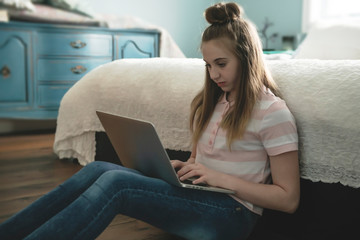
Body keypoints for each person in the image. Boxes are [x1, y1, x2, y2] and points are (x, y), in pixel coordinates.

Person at [0, 2, 299, 240]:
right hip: (202, 195)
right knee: (100, 168)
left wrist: (220, 178)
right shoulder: (215, 102)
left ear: (248, 58)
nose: (213, 75)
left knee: (117, 184)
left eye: (221, 64)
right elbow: (201, 159)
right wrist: (186, 167)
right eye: (208, 65)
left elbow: (288, 199)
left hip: (232, 215)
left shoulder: (273, 113)